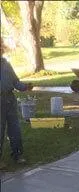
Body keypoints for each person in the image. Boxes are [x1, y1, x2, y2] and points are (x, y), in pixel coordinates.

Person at [0, 37, 33, 168]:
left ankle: (17, 154)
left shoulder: (6, 64)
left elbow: (15, 82)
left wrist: (25, 87)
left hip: (10, 100)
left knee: (15, 129)